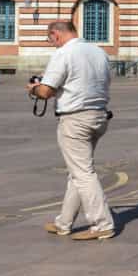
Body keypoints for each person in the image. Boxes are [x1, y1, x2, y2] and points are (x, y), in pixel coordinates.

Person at [29, 19, 116, 240]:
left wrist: (34, 89)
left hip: (75, 119)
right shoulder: (99, 52)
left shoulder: (64, 53)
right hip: (99, 115)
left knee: (83, 173)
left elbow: (47, 91)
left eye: (50, 39)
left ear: (55, 35)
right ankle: (64, 223)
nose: (51, 43)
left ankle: (102, 223)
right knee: (78, 171)